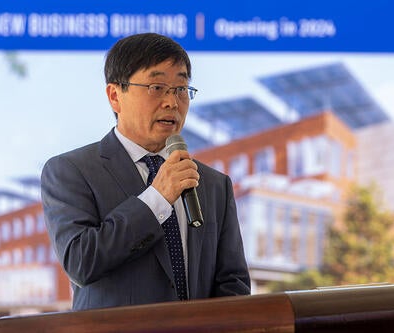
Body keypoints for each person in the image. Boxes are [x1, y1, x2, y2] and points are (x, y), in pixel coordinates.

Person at [41, 32, 250, 311]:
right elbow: (81, 262)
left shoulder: (213, 183)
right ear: (115, 96)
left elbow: (232, 284)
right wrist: (157, 199)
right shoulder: (70, 171)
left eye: (180, 89)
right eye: (157, 87)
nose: (172, 102)